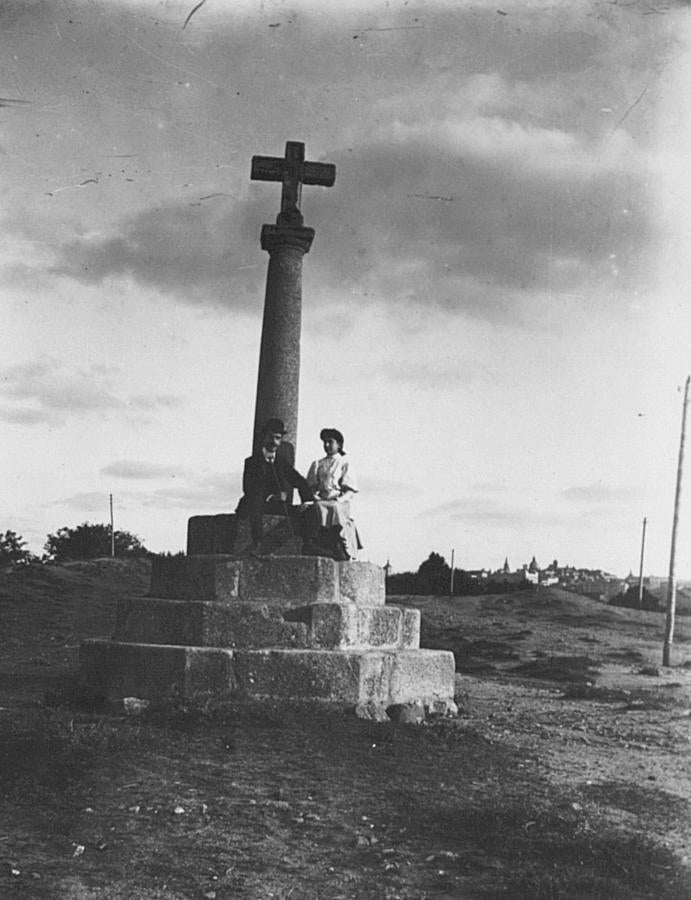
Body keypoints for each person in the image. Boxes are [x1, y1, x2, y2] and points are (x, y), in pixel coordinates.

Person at [235, 418, 312, 554]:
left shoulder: (281, 462)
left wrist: (307, 501)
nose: (274, 442)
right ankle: (257, 543)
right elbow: (249, 488)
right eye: (271, 437)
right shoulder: (252, 462)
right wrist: (271, 496)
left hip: (275, 506)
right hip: (255, 504)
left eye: (278, 438)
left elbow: (299, 481)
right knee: (255, 501)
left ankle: (308, 545)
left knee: (306, 510)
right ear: (264, 437)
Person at [302, 428, 362, 560]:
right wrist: (315, 497)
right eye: (325, 442)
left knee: (334, 507)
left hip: (340, 501)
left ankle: (339, 543)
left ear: (339, 445)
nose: (327, 445)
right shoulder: (318, 464)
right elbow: (311, 487)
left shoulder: (344, 463)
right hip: (322, 500)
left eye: (330, 442)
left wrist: (339, 500)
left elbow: (350, 490)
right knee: (316, 506)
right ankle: (317, 542)